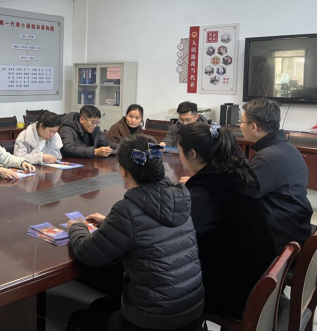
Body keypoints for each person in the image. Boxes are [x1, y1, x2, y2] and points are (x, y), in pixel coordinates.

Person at [66, 135, 204, 331]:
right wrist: (111, 223)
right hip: (190, 312)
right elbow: (149, 227)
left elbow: (88, 254)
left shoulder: (127, 210)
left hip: (154, 322)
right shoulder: (179, 197)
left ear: (123, 170)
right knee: (100, 305)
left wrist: (77, 227)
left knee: (78, 319)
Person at [176, 122, 276, 318]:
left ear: (192, 154)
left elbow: (176, 235)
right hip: (260, 275)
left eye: (180, 151)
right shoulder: (237, 174)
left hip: (235, 291)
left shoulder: (206, 192)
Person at [240, 98, 312, 251]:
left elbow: (242, 194)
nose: (240, 125)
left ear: (253, 127)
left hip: (280, 239)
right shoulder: (288, 148)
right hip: (297, 228)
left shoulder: (267, 157)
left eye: (241, 122)